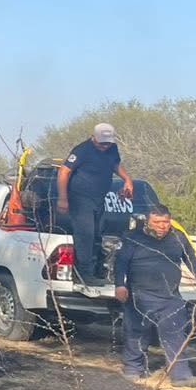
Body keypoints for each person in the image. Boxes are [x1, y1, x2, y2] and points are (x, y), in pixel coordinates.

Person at [114, 204, 196, 386]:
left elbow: (192, 261)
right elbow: (120, 263)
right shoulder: (133, 237)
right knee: (136, 333)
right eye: (157, 222)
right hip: (139, 295)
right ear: (147, 221)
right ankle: (133, 369)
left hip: (170, 297)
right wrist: (120, 285)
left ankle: (181, 376)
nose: (161, 226)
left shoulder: (178, 238)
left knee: (175, 334)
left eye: (165, 222)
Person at [56, 122, 133, 286]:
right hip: (80, 198)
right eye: (101, 143)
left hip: (99, 198)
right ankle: (83, 273)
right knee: (86, 235)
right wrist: (63, 198)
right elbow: (64, 171)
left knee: (97, 235)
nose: (105, 146)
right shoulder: (82, 150)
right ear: (94, 138)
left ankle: (96, 270)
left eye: (107, 143)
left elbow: (115, 164)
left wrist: (127, 179)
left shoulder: (112, 149)